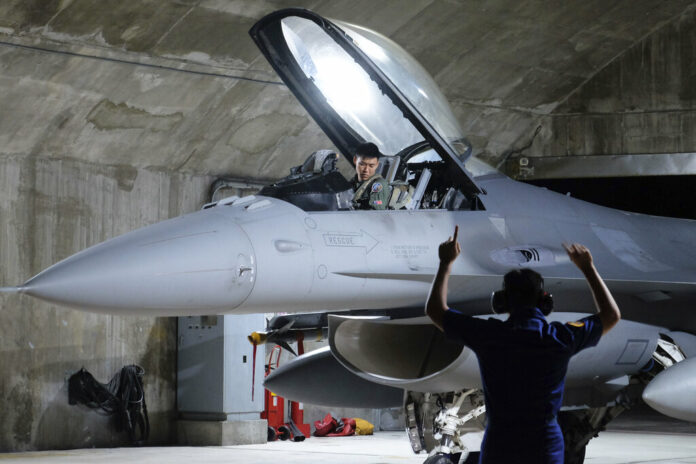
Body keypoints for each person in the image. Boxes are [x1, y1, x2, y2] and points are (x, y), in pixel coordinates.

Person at [425, 226, 621, 464]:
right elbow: (611, 315)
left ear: (501, 301)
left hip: (500, 447)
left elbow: (435, 310)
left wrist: (445, 263)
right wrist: (587, 267)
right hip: (544, 448)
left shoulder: (488, 335)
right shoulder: (559, 337)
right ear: (544, 302)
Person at [351, 142, 391, 210]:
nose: (366, 170)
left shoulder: (378, 185)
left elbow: (379, 207)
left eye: (371, 166)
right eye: (362, 164)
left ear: (377, 164)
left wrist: (365, 204)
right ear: (355, 160)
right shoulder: (354, 182)